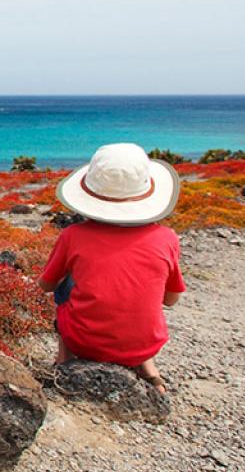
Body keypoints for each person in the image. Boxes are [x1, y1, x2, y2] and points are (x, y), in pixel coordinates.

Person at [39, 142, 186, 395]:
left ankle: (64, 359)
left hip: (84, 344)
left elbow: (47, 285)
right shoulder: (167, 237)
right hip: (146, 345)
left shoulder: (73, 235)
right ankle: (147, 367)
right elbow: (171, 300)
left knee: (65, 288)